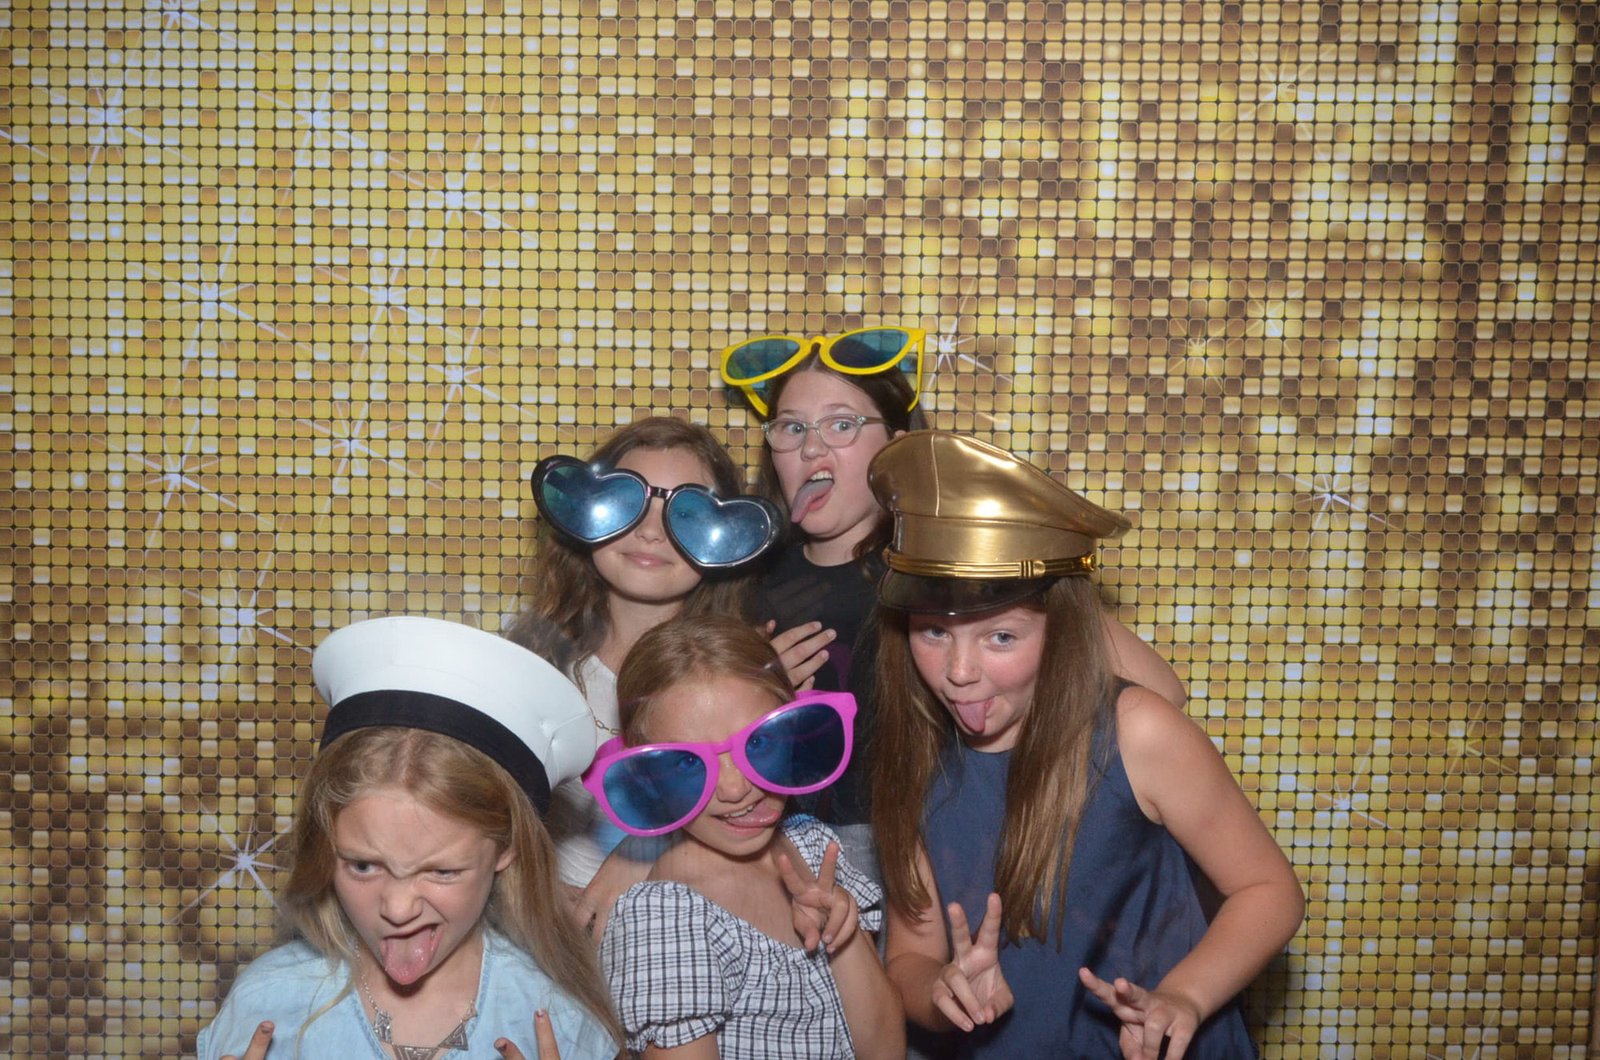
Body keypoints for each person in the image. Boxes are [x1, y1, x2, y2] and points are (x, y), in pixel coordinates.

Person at [868, 432, 1305, 1059]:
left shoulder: (1136, 731)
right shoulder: (912, 758)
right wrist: (943, 994)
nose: (958, 671)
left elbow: (1268, 891)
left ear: (1065, 631)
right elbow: (911, 956)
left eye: (1001, 638)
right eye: (933, 632)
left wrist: (1183, 997)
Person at [197, 616, 622, 1060]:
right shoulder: (267, 1004)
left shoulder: (560, 1021)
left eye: (442, 871)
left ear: (507, 847)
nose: (398, 910)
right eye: (363, 866)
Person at [590, 613, 904, 1059]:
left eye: (758, 743)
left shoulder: (814, 848)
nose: (735, 787)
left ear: (791, 732)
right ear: (648, 776)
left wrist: (844, 936)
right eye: (687, 763)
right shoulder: (665, 916)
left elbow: (885, 1050)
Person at [505, 417, 779, 892]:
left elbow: (763, 828)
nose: (651, 532)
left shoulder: (742, 680)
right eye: (626, 503)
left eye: (687, 515)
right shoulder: (526, 666)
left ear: (726, 536)